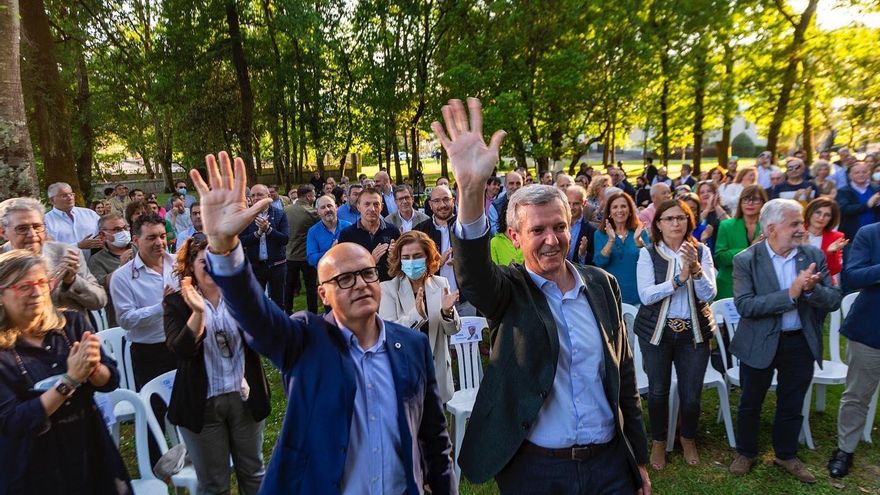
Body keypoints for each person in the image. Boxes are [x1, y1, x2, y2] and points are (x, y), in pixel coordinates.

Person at [190, 151, 456, 493]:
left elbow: (434, 440)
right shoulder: (306, 341)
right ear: (323, 293)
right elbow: (258, 317)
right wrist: (223, 250)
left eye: (366, 274)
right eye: (345, 279)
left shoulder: (412, 346)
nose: (359, 284)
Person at [433, 98, 650, 493]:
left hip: (609, 467)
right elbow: (475, 277)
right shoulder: (510, 291)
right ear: (515, 238)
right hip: (537, 471)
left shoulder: (602, 285)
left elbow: (624, 377)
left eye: (560, 227)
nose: (552, 240)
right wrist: (470, 189)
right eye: (537, 231)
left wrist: (637, 458)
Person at [728, 199, 841, 483]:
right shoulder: (746, 260)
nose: (801, 229)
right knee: (750, 402)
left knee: (792, 402)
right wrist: (790, 294)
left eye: (801, 223)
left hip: (799, 342)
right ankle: (746, 451)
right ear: (772, 228)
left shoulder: (812, 254)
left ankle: (786, 453)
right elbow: (745, 306)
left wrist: (812, 290)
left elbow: (834, 301)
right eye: (794, 224)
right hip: (759, 342)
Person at [0, 250, 131, 494]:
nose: (37, 292)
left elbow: (110, 380)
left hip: (89, 447)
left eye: (41, 282)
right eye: (24, 286)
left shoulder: (71, 324)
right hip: (34, 465)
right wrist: (69, 380)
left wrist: (93, 368)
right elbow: (13, 421)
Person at [164, 235, 270, 494]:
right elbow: (182, 350)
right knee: (214, 483)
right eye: (204, 261)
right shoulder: (176, 302)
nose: (211, 266)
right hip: (203, 403)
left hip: (244, 397)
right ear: (190, 265)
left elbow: (265, 338)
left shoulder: (241, 295)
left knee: (254, 473)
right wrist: (198, 313)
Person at [635, 199, 717, 470]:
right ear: (658, 224)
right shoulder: (649, 253)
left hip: (693, 332)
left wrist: (695, 270)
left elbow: (709, 294)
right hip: (657, 333)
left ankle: (688, 437)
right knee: (658, 390)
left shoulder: (701, 251)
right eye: (669, 218)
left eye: (681, 218)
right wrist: (678, 279)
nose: (675, 223)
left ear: (688, 222)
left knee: (691, 393)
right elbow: (646, 296)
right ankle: (659, 440)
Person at [109, 213, 179, 461]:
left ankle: (196, 453)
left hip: (182, 343)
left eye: (162, 236)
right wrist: (161, 307)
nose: (159, 242)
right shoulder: (123, 277)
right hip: (150, 351)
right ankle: (156, 463)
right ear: (136, 240)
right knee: (155, 408)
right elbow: (125, 320)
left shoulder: (177, 263)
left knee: (193, 399)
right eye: (151, 238)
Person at [378, 231, 460, 403]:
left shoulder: (441, 284)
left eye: (417, 256)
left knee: (437, 427)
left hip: (437, 375)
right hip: (406, 377)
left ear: (428, 257)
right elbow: (389, 334)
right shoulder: (388, 289)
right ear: (399, 260)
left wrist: (447, 312)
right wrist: (417, 315)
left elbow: (453, 329)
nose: (411, 262)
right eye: (406, 257)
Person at [828, 222, 880, 478]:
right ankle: (844, 450)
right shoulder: (870, 233)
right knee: (857, 395)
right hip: (871, 329)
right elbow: (853, 275)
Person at [0, 198, 107, 314]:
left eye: (37, 227)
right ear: (3, 233)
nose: (32, 234)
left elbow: (99, 301)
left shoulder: (66, 254)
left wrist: (72, 281)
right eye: (22, 229)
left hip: (70, 329)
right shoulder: (2, 260)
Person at [593, 192, 649, 306]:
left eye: (623, 206)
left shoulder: (640, 232)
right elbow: (599, 262)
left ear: (630, 210)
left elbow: (650, 261)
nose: (619, 210)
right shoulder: (600, 234)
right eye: (615, 207)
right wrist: (611, 240)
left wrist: (639, 242)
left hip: (639, 296)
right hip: (612, 296)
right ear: (609, 212)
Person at [713, 185, 766, 300]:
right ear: (740, 203)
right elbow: (720, 258)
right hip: (729, 286)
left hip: (760, 286)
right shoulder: (726, 225)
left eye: (755, 199)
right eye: (746, 199)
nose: (750, 203)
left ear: (763, 203)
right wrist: (750, 249)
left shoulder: (769, 227)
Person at [240, 184, 289, 307]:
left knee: (278, 302)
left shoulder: (280, 214)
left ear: (268, 196)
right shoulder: (246, 216)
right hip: (255, 267)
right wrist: (258, 234)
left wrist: (268, 230)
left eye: (259, 195)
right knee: (256, 303)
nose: (256, 198)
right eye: (253, 195)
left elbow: (284, 239)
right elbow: (241, 241)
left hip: (277, 266)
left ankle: (279, 325)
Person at [340, 187, 401, 283]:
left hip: (389, 287)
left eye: (376, 204)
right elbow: (344, 267)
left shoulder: (392, 231)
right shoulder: (347, 235)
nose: (372, 209)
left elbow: (401, 265)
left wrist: (396, 256)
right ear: (358, 207)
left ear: (382, 207)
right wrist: (370, 261)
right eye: (367, 204)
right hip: (361, 287)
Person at [87, 214, 133, 328]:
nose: (123, 232)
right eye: (117, 230)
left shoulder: (140, 249)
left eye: (125, 228)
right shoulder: (97, 260)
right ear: (102, 235)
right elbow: (102, 287)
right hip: (120, 321)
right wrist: (121, 268)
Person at [44, 182, 103, 260]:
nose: (70, 198)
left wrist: (101, 237)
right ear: (52, 200)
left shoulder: (90, 214)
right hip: (64, 267)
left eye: (71, 194)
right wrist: (77, 246)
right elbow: (48, 249)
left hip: (96, 265)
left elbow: (105, 231)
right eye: (64, 196)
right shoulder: (45, 221)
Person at [804, 197, 847, 283]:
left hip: (824, 284)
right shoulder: (797, 232)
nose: (821, 218)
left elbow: (834, 270)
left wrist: (830, 253)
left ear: (831, 218)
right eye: (818, 212)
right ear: (810, 212)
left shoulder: (836, 237)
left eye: (827, 215)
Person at [836, 162, 880, 242]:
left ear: (868, 174)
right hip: (853, 236)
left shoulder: (876, 188)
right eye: (857, 172)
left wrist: (877, 203)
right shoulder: (843, 191)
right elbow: (844, 210)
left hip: (876, 234)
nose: (861, 174)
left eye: (864, 172)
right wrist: (867, 205)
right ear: (850, 175)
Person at [306, 195, 352, 267]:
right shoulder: (313, 232)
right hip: (327, 273)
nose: (327, 210)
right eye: (323, 207)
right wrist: (331, 252)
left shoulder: (348, 226)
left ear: (336, 207)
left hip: (348, 270)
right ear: (318, 211)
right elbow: (311, 259)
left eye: (329, 206)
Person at [566, 185, 596, 265]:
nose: (571, 207)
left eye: (575, 204)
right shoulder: (555, 226)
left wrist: (582, 254)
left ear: (584, 203)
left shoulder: (592, 230)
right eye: (568, 203)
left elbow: (594, 262)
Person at [696, 180, 729, 249]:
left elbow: (729, 225)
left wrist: (716, 205)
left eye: (709, 191)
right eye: (702, 192)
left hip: (722, 246)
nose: (706, 194)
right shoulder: (697, 212)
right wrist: (708, 208)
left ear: (715, 193)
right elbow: (696, 224)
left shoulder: (723, 209)